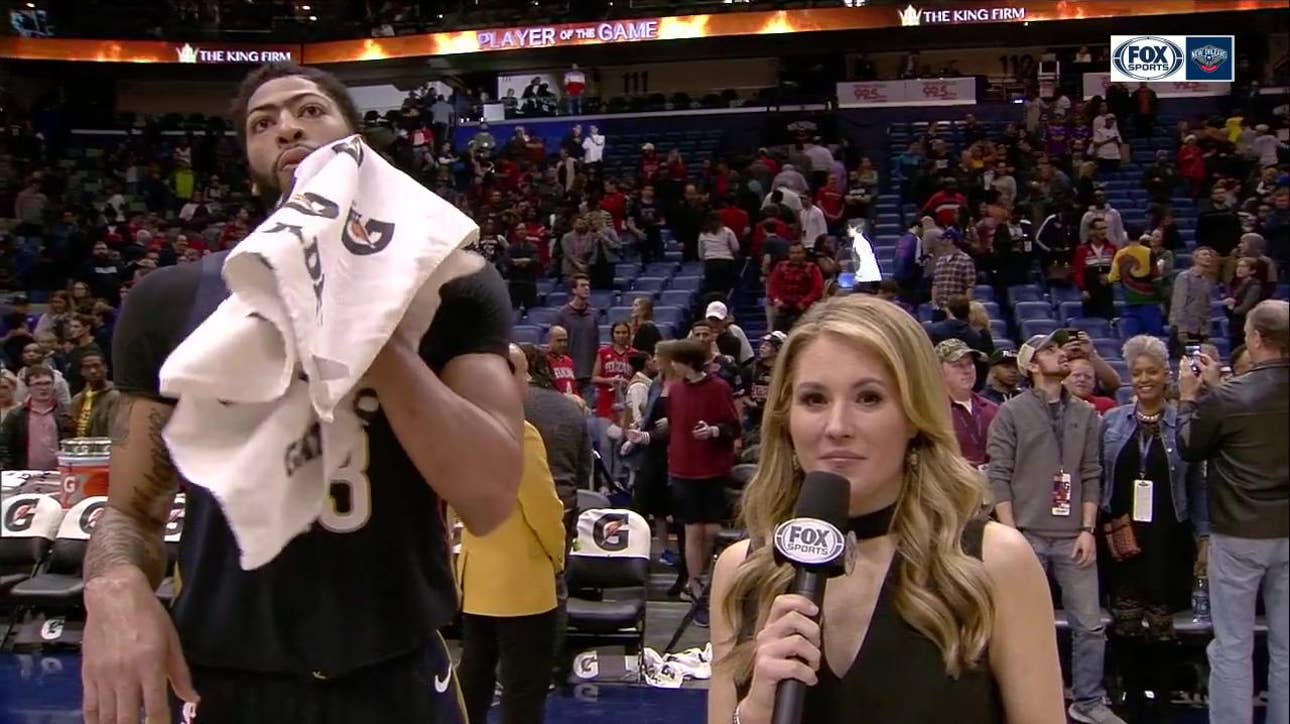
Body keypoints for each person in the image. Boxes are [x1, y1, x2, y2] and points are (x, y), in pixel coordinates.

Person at [81, 62, 523, 724]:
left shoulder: (456, 287)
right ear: (252, 163)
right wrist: (114, 587)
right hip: (225, 677)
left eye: (310, 110)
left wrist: (365, 316)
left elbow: (489, 499)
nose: (287, 125)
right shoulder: (169, 302)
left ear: (356, 140)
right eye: (263, 123)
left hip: (394, 672)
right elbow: (130, 513)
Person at [709, 295, 1064, 724]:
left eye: (869, 398)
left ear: (915, 415)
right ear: (786, 417)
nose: (837, 427)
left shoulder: (997, 563)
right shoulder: (741, 572)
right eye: (814, 399)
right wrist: (755, 711)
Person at [987, 331, 1123, 724]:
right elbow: (999, 476)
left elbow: (1092, 473)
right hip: (1026, 533)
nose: (1060, 353)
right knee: (1020, 627)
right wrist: (1012, 537)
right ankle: (1021, 702)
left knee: (1090, 626)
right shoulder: (1011, 413)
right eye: (1049, 350)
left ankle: (1088, 702)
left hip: (1072, 535)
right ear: (1031, 365)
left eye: (1060, 349)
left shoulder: (1084, 413)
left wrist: (1087, 529)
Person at [1178, 299, 1289, 724]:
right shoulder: (1230, 393)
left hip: (1239, 533)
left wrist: (1190, 398)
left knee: (1232, 646)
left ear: (1258, 338)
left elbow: (1190, 447)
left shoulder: (1229, 396)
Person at [1099, 335, 1209, 720]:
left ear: (1166, 376)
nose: (1144, 379)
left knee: (1162, 624)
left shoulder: (1183, 422)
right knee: (1126, 622)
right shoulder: (1111, 421)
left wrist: (1204, 537)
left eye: (1152, 372)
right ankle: (1130, 698)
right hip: (1123, 535)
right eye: (1137, 372)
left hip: (1168, 535)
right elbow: (1098, 480)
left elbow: (1196, 486)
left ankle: (1162, 700)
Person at [456, 346, 565, 724]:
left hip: (477, 579)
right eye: (520, 372)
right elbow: (544, 509)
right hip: (523, 583)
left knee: (474, 679)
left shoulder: (460, 429)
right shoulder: (521, 432)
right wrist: (558, 556)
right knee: (524, 688)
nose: (528, 379)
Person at [658, 337, 739, 624]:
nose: (671, 366)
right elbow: (675, 422)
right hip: (683, 469)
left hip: (713, 469)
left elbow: (733, 426)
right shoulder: (675, 390)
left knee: (711, 531)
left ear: (686, 362)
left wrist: (714, 431)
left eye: (675, 361)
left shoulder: (719, 388)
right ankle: (694, 584)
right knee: (692, 530)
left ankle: (704, 579)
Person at [936, 339, 997, 467]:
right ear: (938, 369)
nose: (967, 370)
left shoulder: (993, 410)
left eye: (970, 364)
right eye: (958, 365)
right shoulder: (932, 412)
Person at [0, 365, 72, 470]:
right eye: (37, 384)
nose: (43, 388)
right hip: (25, 474)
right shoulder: (16, 415)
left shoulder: (66, 413)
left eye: (47, 383)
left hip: (60, 472)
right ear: (28, 387)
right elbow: (5, 447)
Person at [68, 351, 120, 438]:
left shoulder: (116, 396)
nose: (93, 371)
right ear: (82, 372)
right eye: (87, 367)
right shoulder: (77, 399)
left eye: (97, 366)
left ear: (105, 368)